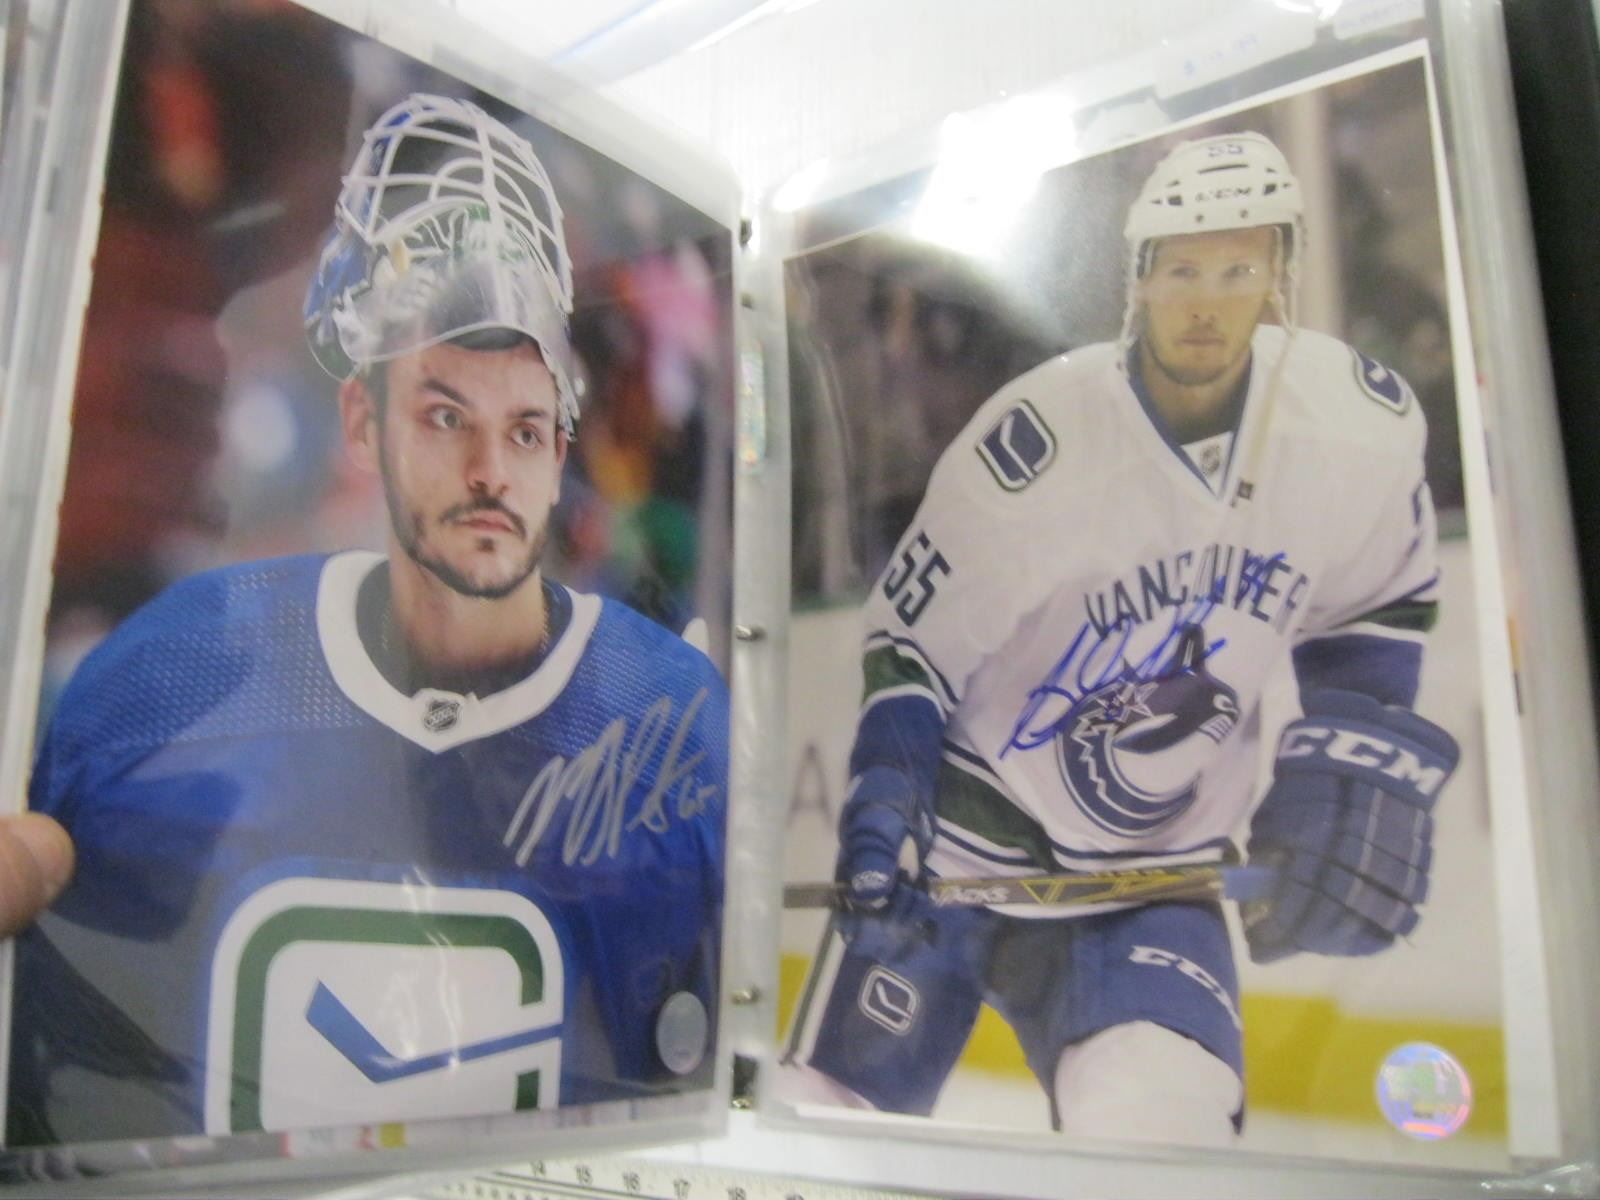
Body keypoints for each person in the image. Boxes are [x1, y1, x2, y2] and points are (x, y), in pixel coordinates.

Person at [8, 94, 727, 1148]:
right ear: (362, 418)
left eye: (525, 430)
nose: (489, 471)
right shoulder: (174, 671)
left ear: (560, 443)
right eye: (444, 416)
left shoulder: (665, 716)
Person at [781, 131, 1458, 1144]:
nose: (1207, 302)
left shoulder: (1350, 428)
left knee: (1163, 1134)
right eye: (1183, 271)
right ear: (1139, 278)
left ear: (1280, 276)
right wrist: (887, 797)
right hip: (957, 853)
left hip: (1153, 879)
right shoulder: (1039, 446)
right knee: (819, 1126)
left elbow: (1376, 599)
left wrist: (1352, 741)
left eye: (1237, 271)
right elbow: (912, 650)